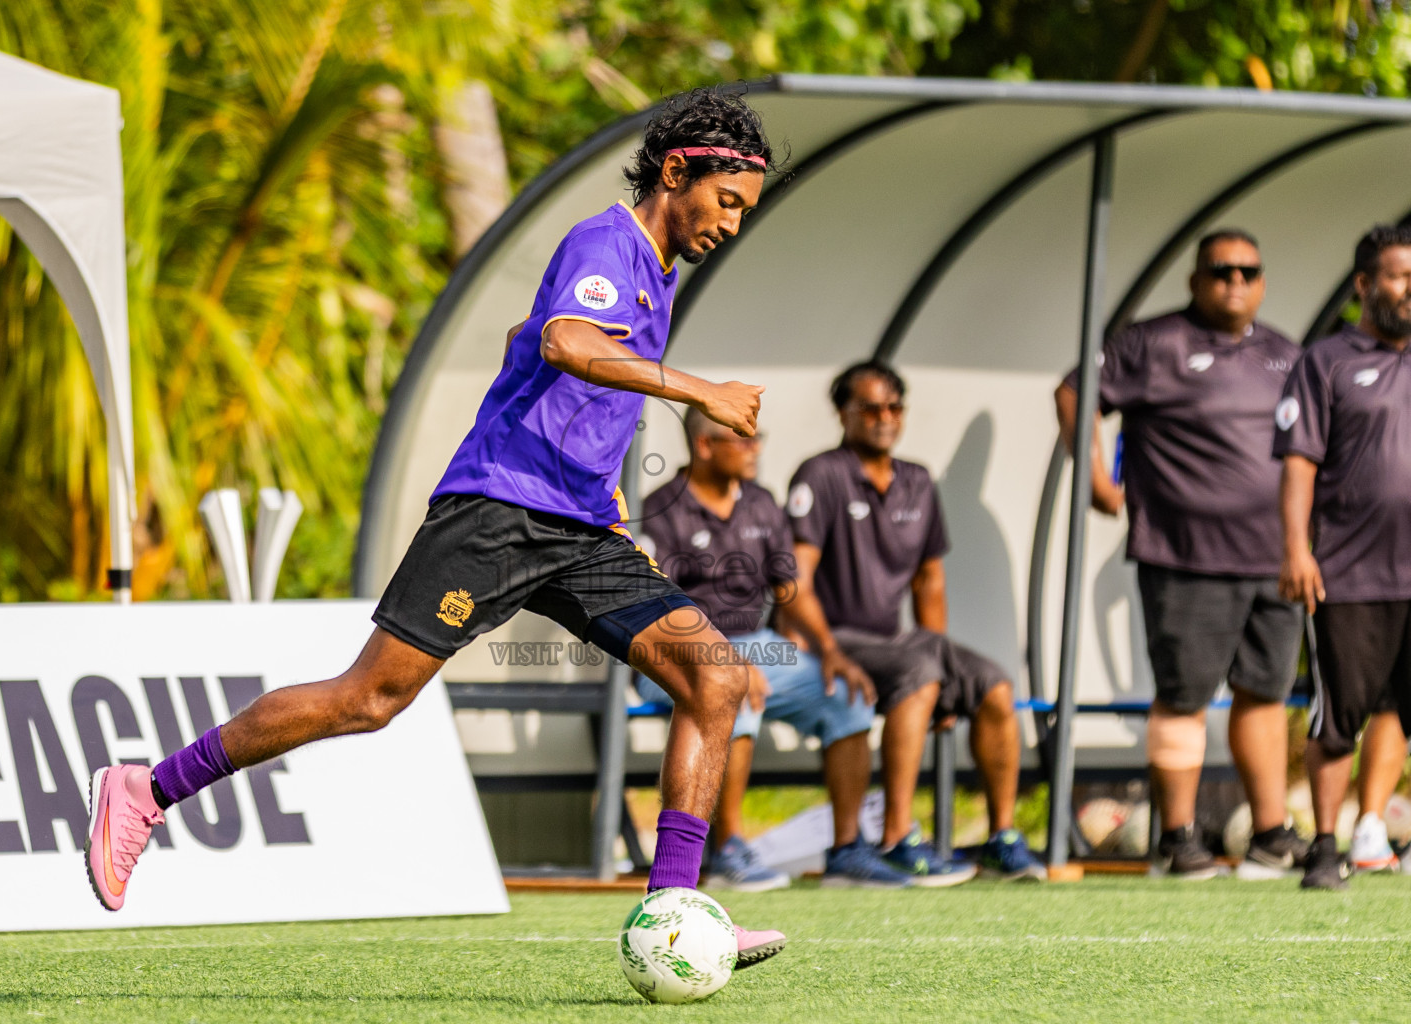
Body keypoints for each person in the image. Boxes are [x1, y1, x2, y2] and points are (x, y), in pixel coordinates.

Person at [84, 88, 787, 965]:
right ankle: (144, 790)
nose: (732, 223)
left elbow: (532, 340)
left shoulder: (658, 270)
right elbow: (568, 341)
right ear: (679, 171)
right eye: (727, 202)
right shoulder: (605, 241)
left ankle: (672, 913)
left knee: (714, 680)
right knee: (368, 699)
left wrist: (594, 478)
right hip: (496, 512)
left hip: (578, 528)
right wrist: (702, 392)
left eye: (744, 212)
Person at [1055, 229, 1309, 880]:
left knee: (1265, 694)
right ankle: (1179, 838)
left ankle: (1272, 834)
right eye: (1221, 270)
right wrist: (1096, 481)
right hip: (1185, 553)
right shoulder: (1151, 343)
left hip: (1273, 558)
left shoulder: (1285, 353)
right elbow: (1075, 391)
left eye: (1248, 271)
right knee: (1185, 696)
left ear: (1262, 281)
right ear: (1196, 279)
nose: (1235, 282)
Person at [636, 408, 920, 889]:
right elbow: (654, 603)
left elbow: (791, 588)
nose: (756, 449)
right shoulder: (662, 507)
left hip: (760, 646)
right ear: (704, 446)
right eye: (742, 440)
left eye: (756, 438)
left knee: (848, 697)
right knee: (730, 693)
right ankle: (727, 849)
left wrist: (830, 650)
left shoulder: (762, 503)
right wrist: (724, 658)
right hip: (673, 651)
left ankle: (848, 850)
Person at [787, 362, 1042, 882]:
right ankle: (898, 836)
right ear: (843, 414)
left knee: (994, 686)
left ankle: (1001, 837)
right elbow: (795, 581)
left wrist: (941, 659)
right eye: (871, 408)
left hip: (898, 642)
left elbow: (930, 582)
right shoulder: (822, 474)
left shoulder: (918, 481)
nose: (885, 418)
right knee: (918, 673)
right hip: (831, 641)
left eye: (894, 407)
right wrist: (828, 650)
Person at [1276, 223, 1411, 890]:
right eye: (1398, 275)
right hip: (1349, 572)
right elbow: (1298, 465)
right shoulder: (1325, 361)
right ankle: (1323, 845)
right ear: (1363, 285)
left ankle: (1370, 831)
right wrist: (1297, 550)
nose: (1409, 288)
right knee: (1339, 716)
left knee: (1397, 708)